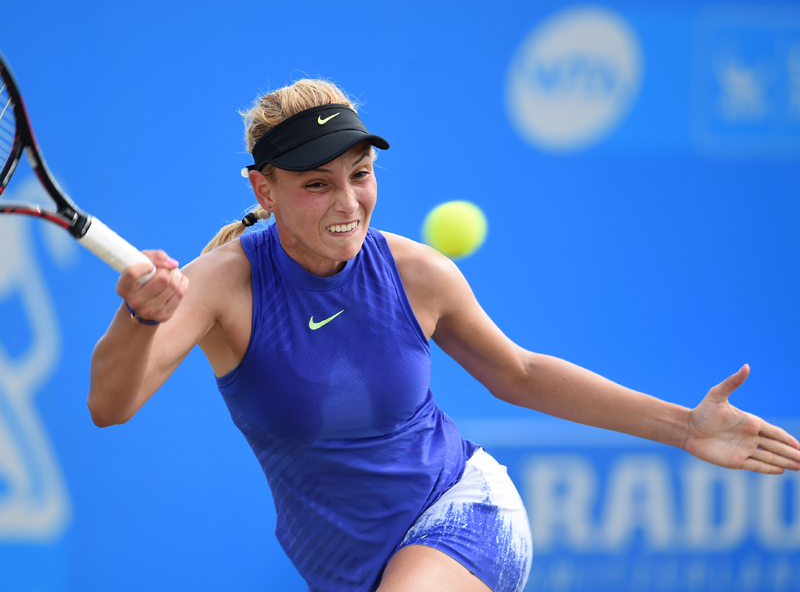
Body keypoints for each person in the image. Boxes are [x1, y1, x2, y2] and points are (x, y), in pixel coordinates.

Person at [88, 79, 800, 592]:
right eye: (317, 184)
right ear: (263, 191)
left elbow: (519, 373)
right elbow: (110, 406)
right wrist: (139, 316)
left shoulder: (418, 272)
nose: (348, 202)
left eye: (360, 175)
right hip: (346, 568)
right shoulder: (221, 285)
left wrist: (684, 427)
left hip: (464, 511)